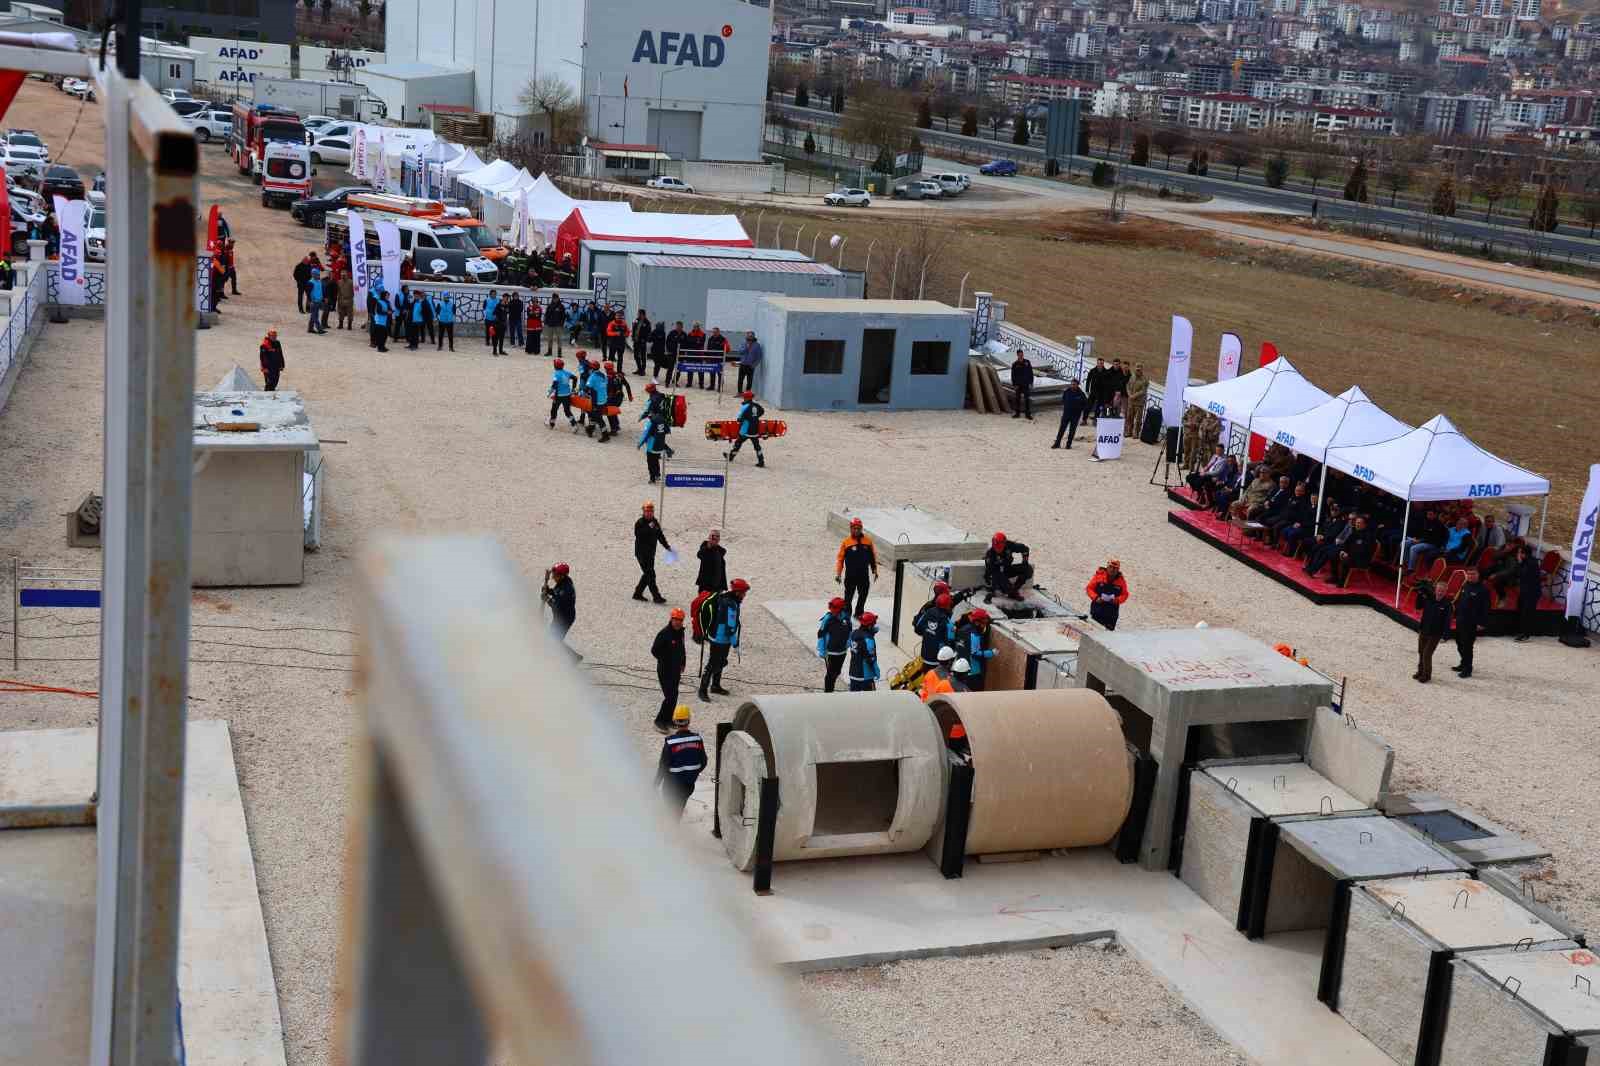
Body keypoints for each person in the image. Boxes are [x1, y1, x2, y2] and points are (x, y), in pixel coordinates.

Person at [698, 578, 748, 700]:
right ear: (737, 592)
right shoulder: (730, 604)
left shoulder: (725, 599)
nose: (745, 595)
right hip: (720, 639)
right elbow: (729, 628)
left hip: (718, 637)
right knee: (713, 663)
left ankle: (715, 685)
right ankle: (703, 690)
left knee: (720, 661)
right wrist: (735, 644)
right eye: (743, 592)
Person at [655, 706, 706, 817]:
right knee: (678, 809)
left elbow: (663, 766)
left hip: (671, 786)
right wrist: (692, 773)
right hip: (688, 786)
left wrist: (655, 785)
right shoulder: (697, 739)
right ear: (689, 721)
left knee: (670, 812)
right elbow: (703, 762)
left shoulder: (670, 742)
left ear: (675, 721)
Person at [834, 517, 879, 618]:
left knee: (863, 595)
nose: (856, 530)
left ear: (861, 528)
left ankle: (859, 613)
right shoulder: (846, 542)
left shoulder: (868, 541)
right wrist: (838, 574)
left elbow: (872, 557)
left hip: (863, 575)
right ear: (850, 529)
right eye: (854, 528)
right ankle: (847, 614)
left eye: (859, 528)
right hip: (851, 575)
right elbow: (840, 559)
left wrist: (875, 571)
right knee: (848, 597)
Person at [650, 610, 688, 732]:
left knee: (674, 695)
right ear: (671, 619)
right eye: (675, 619)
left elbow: (682, 649)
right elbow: (654, 650)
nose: (677, 622)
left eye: (680, 620)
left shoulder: (680, 633)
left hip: (676, 670)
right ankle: (659, 721)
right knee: (670, 696)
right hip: (665, 670)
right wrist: (666, 661)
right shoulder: (664, 633)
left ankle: (668, 719)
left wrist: (682, 663)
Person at [633, 501, 672, 604]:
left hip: (650, 553)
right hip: (641, 553)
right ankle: (656, 596)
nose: (649, 513)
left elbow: (660, 535)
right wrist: (649, 527)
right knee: (650, 574)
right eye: (647, 511)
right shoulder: (640, 523)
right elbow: (639, 535)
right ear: (643, 512)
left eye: (651, 511)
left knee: (648, 574)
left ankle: (637, 593)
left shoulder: (654, 522)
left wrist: (666, 546)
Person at [1453, 569, 1489, 678]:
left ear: (1478, 575)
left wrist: (1482, 623)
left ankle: (1467, 669)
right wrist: (1455, 614)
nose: (1470, 576)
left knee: (1467, 646)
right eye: (1468, 574)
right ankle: (1463, 663)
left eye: (1473, 574)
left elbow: (1486, 608)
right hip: (1461, 620)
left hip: (1472, 623)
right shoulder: (1465, 586)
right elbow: (1460, 600)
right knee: (1459, 642)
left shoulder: (1483, 590)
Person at [1414, 580, 1451, 684]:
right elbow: (1418, 606)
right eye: (1439, 590)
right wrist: (1420, 594)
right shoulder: (1429, 599)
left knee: (1427, 654)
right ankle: (1420, 671)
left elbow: (1447, 621)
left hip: (1435, 634)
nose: (1440, 592)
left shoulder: (1447, 605)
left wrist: (1445, 636)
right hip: (1424, 630)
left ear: (1445, 592)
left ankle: (1426, 675)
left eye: (1442, 591)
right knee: (1421, 652)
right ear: (1435, 590)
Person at [952, 609, 995, 691]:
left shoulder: (963, 629)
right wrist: (991, 653)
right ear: (977, 622)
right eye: (983, 623)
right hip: (973, 672)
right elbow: (975, 653)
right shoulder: (974, 635)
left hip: (960, 668)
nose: (984, 625)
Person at [816, 596, 852, 693]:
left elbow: (850, 632)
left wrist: (848, 644)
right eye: (831, 608)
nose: (832, 610)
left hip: (842, 652)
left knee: (837, 672)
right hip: (830, 653)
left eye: (834, 609)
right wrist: (822, 650)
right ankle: (828, 692)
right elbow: (820, 634)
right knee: (830, 674)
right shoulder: (828, 619)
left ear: (840, 609)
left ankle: (830, 688)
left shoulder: (846, 618)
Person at [984, 533, 1032, 602]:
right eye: (996, 547)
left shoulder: (1009, 545)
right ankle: (1011, 592)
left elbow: (1025, 549)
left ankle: (1015, 588)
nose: (998, 549)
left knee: (1028, 569)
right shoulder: (990, 555)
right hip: (997, 575)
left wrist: (1025, 562)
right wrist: (993, 588)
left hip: (1007, 569)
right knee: (998, 575)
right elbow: (990, 573)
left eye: (1000, 547)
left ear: (1004, 544)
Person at [913, 591, 955, 669]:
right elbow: (950, 643)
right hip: (938, 660)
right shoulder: (947, 622)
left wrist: (929, 634)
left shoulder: (929, 612)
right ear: (947, 606)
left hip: (924, 655)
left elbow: (918, 628)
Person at [724, 391, 766, 468]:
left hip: (746, 429)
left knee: (738, 442)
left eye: (744, 397)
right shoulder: (756, 405)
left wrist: (743, 419)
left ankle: (731, 456)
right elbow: (762, 411)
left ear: (746, 398)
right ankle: (761, 461)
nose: (743, 398)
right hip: (755, 429)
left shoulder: (745, 407)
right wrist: (755, 417)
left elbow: (739, 419)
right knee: (757, 446)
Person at [1333, 514, 1376, 588]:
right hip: (1351, 555)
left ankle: (1341, 582)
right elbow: (1346, 543)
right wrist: (1343, 551)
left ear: (1364, 525)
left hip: (1362, 559)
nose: (1357, 524)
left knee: (1346, 561)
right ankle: (1334, 577)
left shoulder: (1369, 536)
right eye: (1356, 522)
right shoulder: (1354, 532)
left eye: (1359, 523)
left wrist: (1349, 554)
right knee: (1334, 554)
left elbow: (1363, 550)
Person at [1086, 559, 1129, 630]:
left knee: (1107, 635)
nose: (1112, 570)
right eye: (1111, 567)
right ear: (1107, 567)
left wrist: (1117, 600)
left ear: (1118, 570)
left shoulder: (1121, 581)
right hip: (1097, 611)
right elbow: (1089, 588)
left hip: (1111, 615)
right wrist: (1096, 598)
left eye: (1115, 568)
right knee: (1094, 632)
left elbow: (1125, 594)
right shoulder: (1099, 576)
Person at [1514, 545, 1542, 643]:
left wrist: (1519, 562)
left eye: (1520, 553)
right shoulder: (1527, 562)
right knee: (1521, 610)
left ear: (1524, 554)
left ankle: (1525, 634)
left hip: (1532, 592)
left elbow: (1522, 574)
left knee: (1527, 613)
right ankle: (1520, 631)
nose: (1518, 554)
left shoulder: (1531, 563)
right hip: (1525, 591)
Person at [847, 612, 882, 692]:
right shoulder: (868, 640)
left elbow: (850, 644)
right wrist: (876, 671)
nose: (874, 626)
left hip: (853, 673)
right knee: (870, 701)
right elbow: (871, 659)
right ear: (869, 626)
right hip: (866, 676)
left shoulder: (853, 633)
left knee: (854, 700)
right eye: (873, 624)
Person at [638, 408, 674, 483]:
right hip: (660, 445)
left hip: (652, 446)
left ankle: (652, 478)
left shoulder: (651, 421)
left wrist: (640, 444)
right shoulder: (663, 420)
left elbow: (646, 434)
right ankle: (657, 475)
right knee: (656, 460)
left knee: (650, 462)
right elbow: (668, 431)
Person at [544, 563, 576, 643]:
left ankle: (569, 655)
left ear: (562, 576)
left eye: (555, 575)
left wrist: (547, 599)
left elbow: (556, 606)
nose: (553, 577)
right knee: (551, 636)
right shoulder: (563, 581)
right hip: (558, 616)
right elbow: (556, 592)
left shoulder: (566, 590)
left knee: (554, 640)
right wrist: (548, 591)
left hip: (564, 619)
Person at [1053, 379, 1088, 449]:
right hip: (1066, 414)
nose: (1072, 386)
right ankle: (1057, 443)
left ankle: (1068, 444)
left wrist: (1079, 409)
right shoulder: (1066, 391)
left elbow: (1085, 405)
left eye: (1074, 384)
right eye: (1071, 384)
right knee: (1062, 429)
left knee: (1072, 430)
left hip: (1075, 415)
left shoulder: (1081, 394)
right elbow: (1063, 400)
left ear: (1077, 385)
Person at [584, 359, 611, 441]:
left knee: (598, 418)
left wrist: (583, 393)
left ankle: (605, 435)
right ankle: (590, 429)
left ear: (591, 368)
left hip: (596, 400)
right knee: (593, 414)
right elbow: (605, 385)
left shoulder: (592, 377)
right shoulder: (603, 375)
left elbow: (587, 388)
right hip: (604, 399)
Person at [547, 358, 577, 428]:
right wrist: (573, 388)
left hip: (558, 396)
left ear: (555, 366)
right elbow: (575, 378)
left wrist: (549, 392)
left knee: (554, 409)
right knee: (567, 411)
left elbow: (554, 384)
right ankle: (574, 424)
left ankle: (552, 424)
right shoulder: (567, 372)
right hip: (567, 395)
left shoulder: (556, 374)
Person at [1123, 363, 1148, 439]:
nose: (1138, 370)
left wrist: (1134, 396)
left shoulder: (1145, 379)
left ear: (1142, 370)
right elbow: (1127, 385)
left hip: (1139, 403)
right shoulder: (1132, 377)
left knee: (1137, 419)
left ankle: (1136, 433)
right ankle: (1128, 432)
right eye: (1137, 369)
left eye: (1139, 369)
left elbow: (1143, 391)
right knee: (1129, 417)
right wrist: (1129, 394)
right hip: (1131, 401)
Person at [1009, 349, 1035, 420]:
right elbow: (1013, 375)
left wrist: (1031, 382)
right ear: (1017, 355)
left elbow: (1030, 373)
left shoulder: (1027, 362)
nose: (1021, 355)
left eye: (1022, 354)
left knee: (1027, 399)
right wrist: (1014, 384)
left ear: (1023, 354)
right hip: (1018, 385)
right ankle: (1017, 413)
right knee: (1017, 399)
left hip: (1026, 384)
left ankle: (1028, 414)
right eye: (1019, 354)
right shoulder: (1015, 364)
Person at [665, 320, 687, 385]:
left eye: (680, 326)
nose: (678, 327)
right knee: (670, 368)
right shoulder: (672, 333)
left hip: (680, 355)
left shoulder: (684, 334)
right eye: (677, 326)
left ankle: (675, 382)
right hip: (672, 354)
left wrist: (683, 352)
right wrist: (669, 350)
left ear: (682, 327)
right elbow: (667, 342)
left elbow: (686, 344)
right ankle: (667, 382)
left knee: (678, 369)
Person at [305, 268, 327, 334]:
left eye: (318, 274)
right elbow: (308, 293)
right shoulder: (310, 283)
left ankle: (310, 329)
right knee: (315, 316)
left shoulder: (320, 282)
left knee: (313, 316)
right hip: (313, 302)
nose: (318, 276)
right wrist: (310, 301)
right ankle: (319, 329)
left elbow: (321, 291)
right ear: (313, 275)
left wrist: (323, 298)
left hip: (319, 301)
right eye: (317, 275)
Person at [632, 309, 652, 375]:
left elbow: (649, 333)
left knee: (643, 356)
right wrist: (633, 336)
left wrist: (645, 339)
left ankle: (643, 370)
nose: (638, 315)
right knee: (636, 355)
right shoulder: (636, 320)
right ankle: (639, 368)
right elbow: (634, 328)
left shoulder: (647, 322)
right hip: (636, 341)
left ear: (643, 314)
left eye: (639, 314)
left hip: (642, 342)